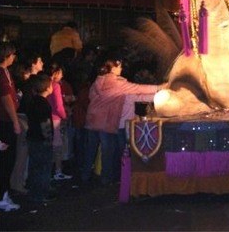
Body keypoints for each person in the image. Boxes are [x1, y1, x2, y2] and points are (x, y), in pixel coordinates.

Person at [82, 55, 164, 186]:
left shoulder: (98, 81)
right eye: (119, 66)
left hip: (92, 120)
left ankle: (84, 176)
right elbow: (138, 89)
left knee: (90, 150)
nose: (121, 68)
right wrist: (160, 88)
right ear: (113, 68)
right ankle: (106, 179)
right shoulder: (118, 83)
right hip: (106, 122)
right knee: (107, 152)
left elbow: (91, 97)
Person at [10, 51, 45, 194]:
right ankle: (17, 183)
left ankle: (20, 181)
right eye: (40, 60)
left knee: (24, 154)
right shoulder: (29, 84)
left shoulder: (27, 83)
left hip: (24, 119)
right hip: (24, 119)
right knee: (22, 154)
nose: (42, 63)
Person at [25, 74, 57, 203]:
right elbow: (45, 124)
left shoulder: (33, 101)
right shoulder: (44, 104)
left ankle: (33, 192)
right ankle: (41, 193)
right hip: (42, 140)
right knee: (44, 168)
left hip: (32, 138)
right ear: (47, 87)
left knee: (34, 166)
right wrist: (49, 139)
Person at [0, 42, 21, 211]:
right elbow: (6, 98)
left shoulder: (6, 72)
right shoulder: (1, 73)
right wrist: (15, 121)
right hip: (4, 122)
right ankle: (2, 196)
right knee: (6, 160)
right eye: (13, 54)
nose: (14, 57)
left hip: (5, 120)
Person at [46, 62, 72, 180]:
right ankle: (57, 171)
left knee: (49, 145)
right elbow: (58, 106)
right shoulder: (55, 85)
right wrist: (64, 116)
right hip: (55, 118)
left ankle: (50, 171)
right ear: (56, 73)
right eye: (61, 73)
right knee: (57, 145)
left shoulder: (43, 83)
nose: (62, 75)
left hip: (46, 118)